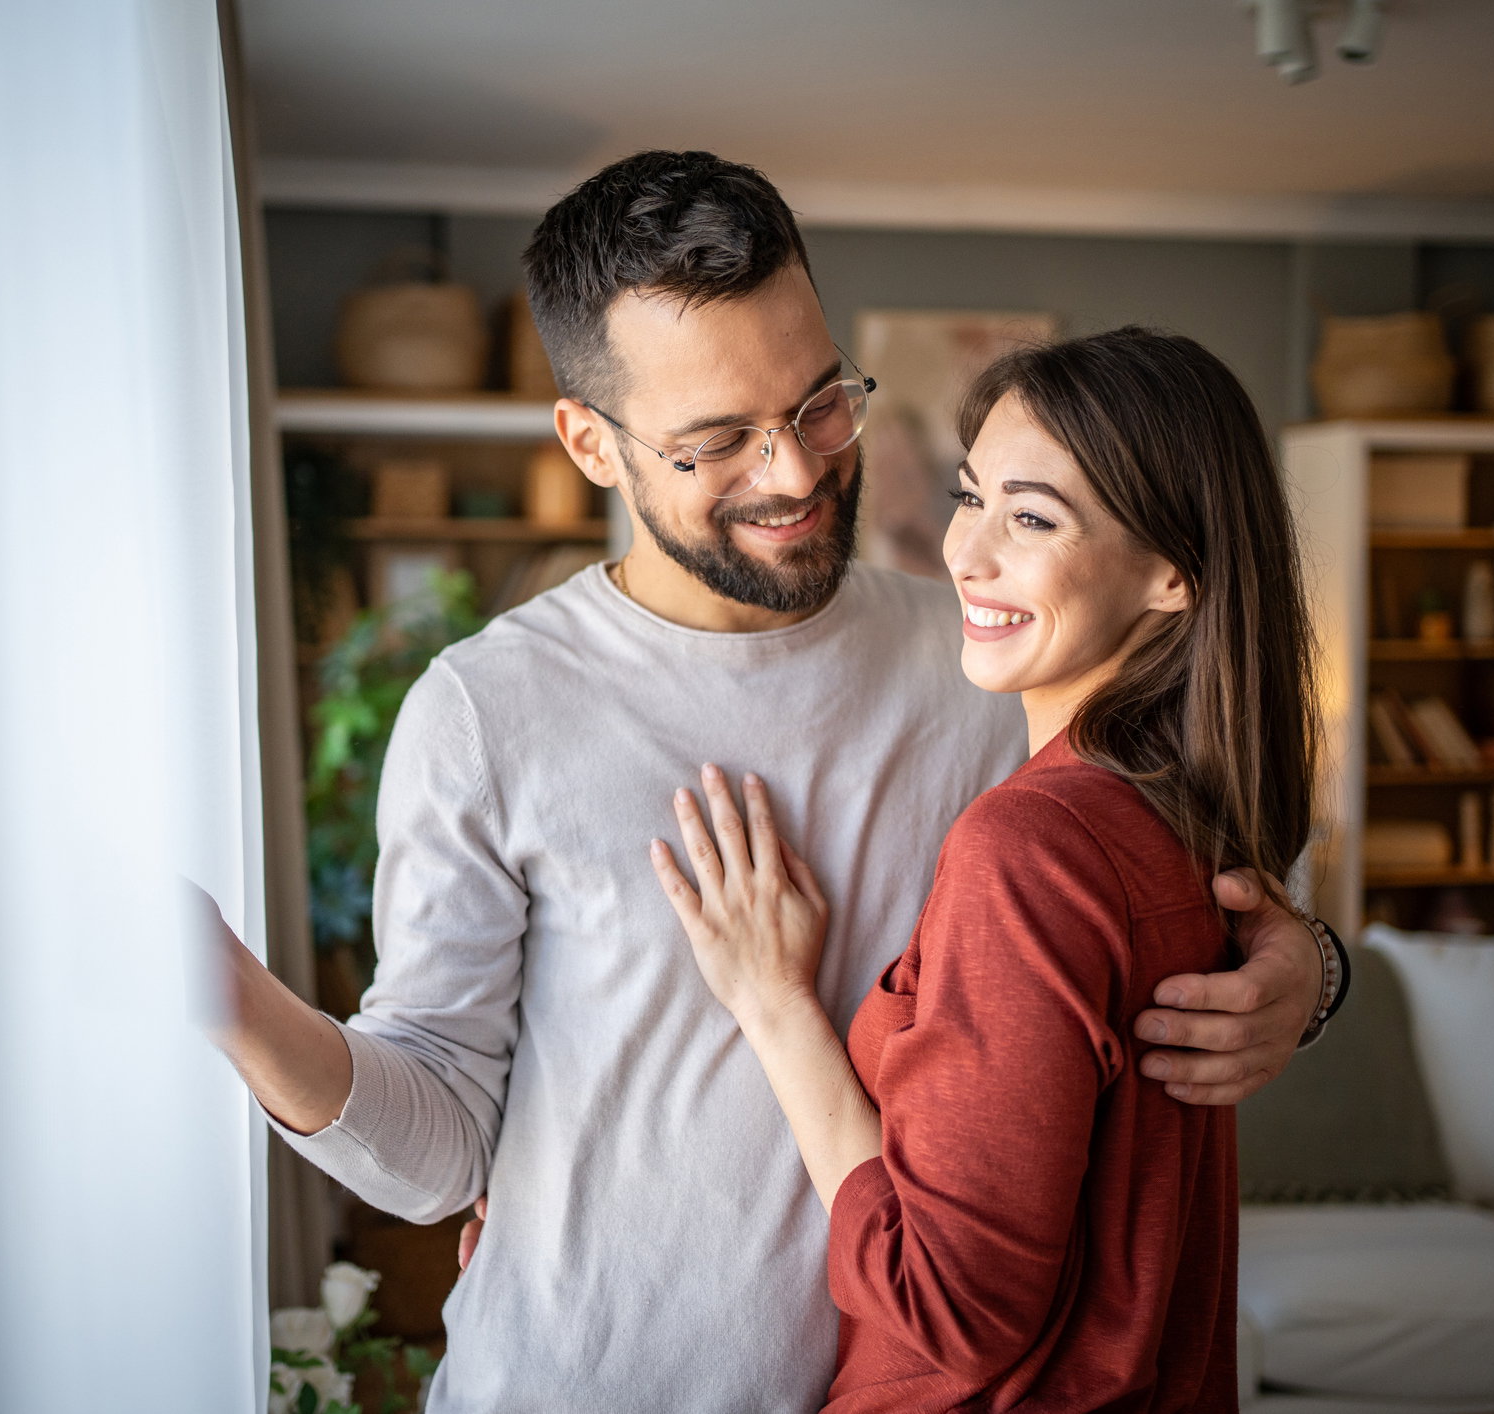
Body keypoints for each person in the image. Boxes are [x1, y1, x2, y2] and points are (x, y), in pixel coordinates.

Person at [212, 151, 1344, 1414]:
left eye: (818, 404)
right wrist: (235, 1004)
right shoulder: (486, 714)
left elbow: (1187, 885)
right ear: (592, 442)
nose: (797, 473)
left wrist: (1307, 967)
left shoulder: (979, 663)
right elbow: (435, 1153)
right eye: (716, 442)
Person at [651, 326, 1315, 1410]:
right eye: (973, 497)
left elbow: (953, 1311)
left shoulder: (1035, 846)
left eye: (1034, 518)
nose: (968, 552)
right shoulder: (1187, 824)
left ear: (1171, 575)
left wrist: (776, 1007)